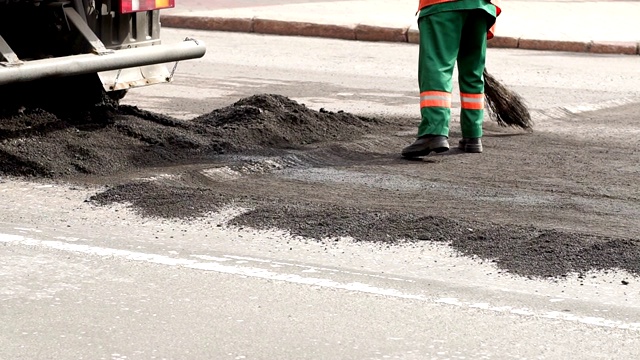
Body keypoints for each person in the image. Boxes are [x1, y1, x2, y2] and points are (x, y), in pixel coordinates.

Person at [402, 0, 501, 158]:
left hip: (443, 4)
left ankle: (434, 131)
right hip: (480, 6)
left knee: (436, 66)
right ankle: (473, 135)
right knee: (473, 72)